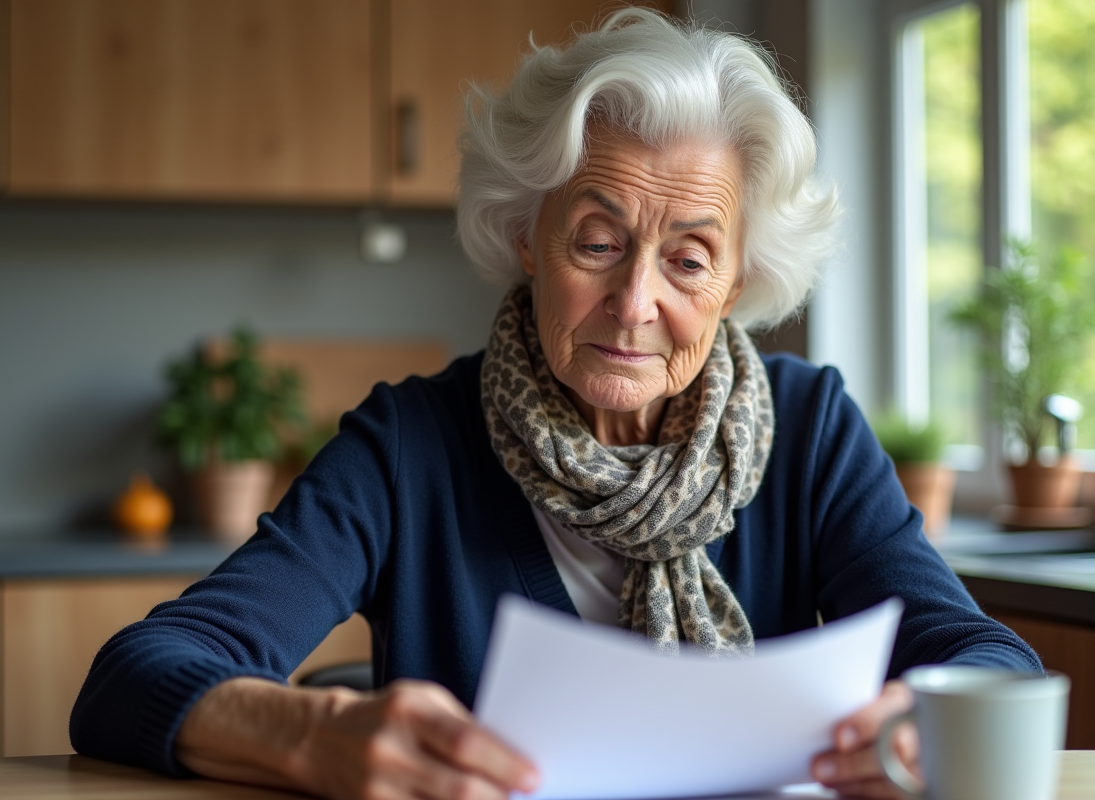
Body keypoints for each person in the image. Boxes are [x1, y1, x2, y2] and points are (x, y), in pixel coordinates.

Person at [71, 10, 1040, 800]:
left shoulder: (812, 428)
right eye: (597, 242)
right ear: (527, 236)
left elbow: (985, 656)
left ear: (738, 283)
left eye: (689, 259)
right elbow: (139, 670)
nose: (635, 302)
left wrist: (920, 722)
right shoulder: (410, 445)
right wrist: (310, 734)